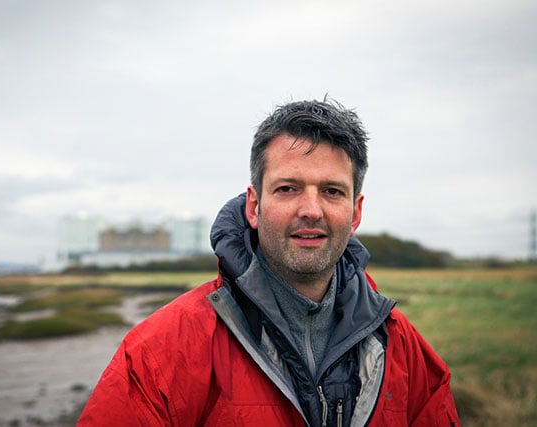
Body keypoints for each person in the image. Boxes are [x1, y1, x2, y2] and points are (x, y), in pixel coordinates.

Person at [78, 98, 460, 426]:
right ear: (254, 206)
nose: (311, 210)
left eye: (331, 191)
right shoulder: (160, 352)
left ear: (355, 212)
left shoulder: (404, 350)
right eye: (288, 188)